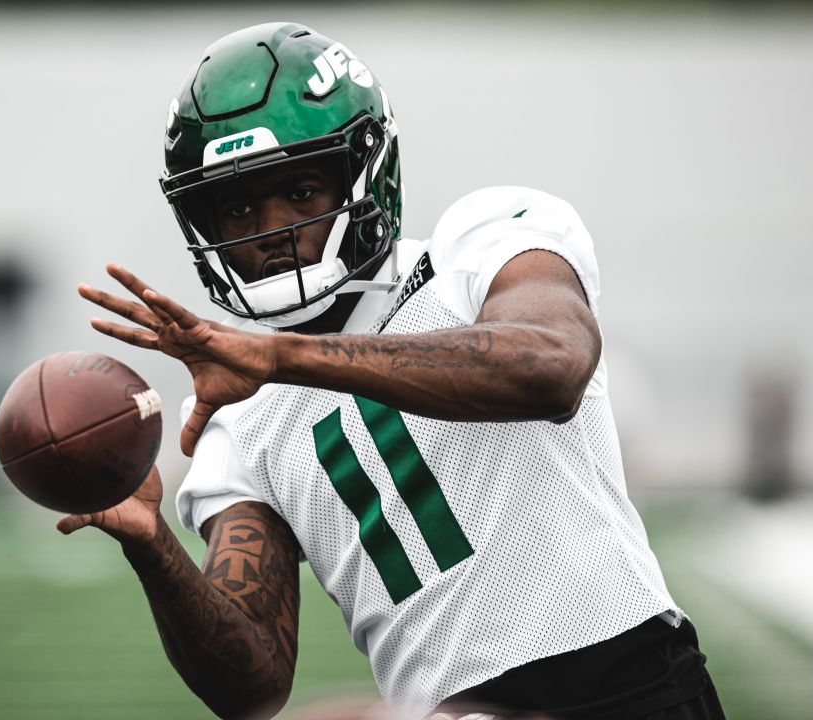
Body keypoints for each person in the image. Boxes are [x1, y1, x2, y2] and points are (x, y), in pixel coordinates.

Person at [65, 22, 725, 719]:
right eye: (236, 207)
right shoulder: (241, 425)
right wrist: (152, 545)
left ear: (365, 171)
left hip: (628, 688)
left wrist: (283, 359)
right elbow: (252, 683)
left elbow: (550, 367)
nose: (272, 229)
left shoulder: (478, 245)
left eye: (301, 191)